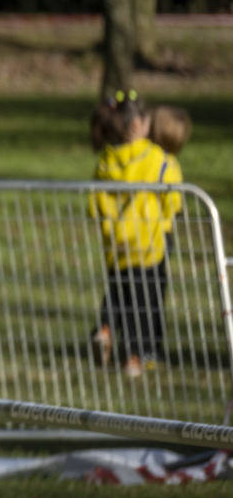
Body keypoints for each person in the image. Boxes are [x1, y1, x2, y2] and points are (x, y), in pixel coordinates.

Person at [88, 90, 183, 378]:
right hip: (149, 243)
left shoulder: (105, 160)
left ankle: (105, 327)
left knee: (118, 293)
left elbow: (94, 205)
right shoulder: (156, 157)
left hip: (115, 244)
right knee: (142, 302)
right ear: (138, 125)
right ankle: (135, 357)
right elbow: (174, 198)